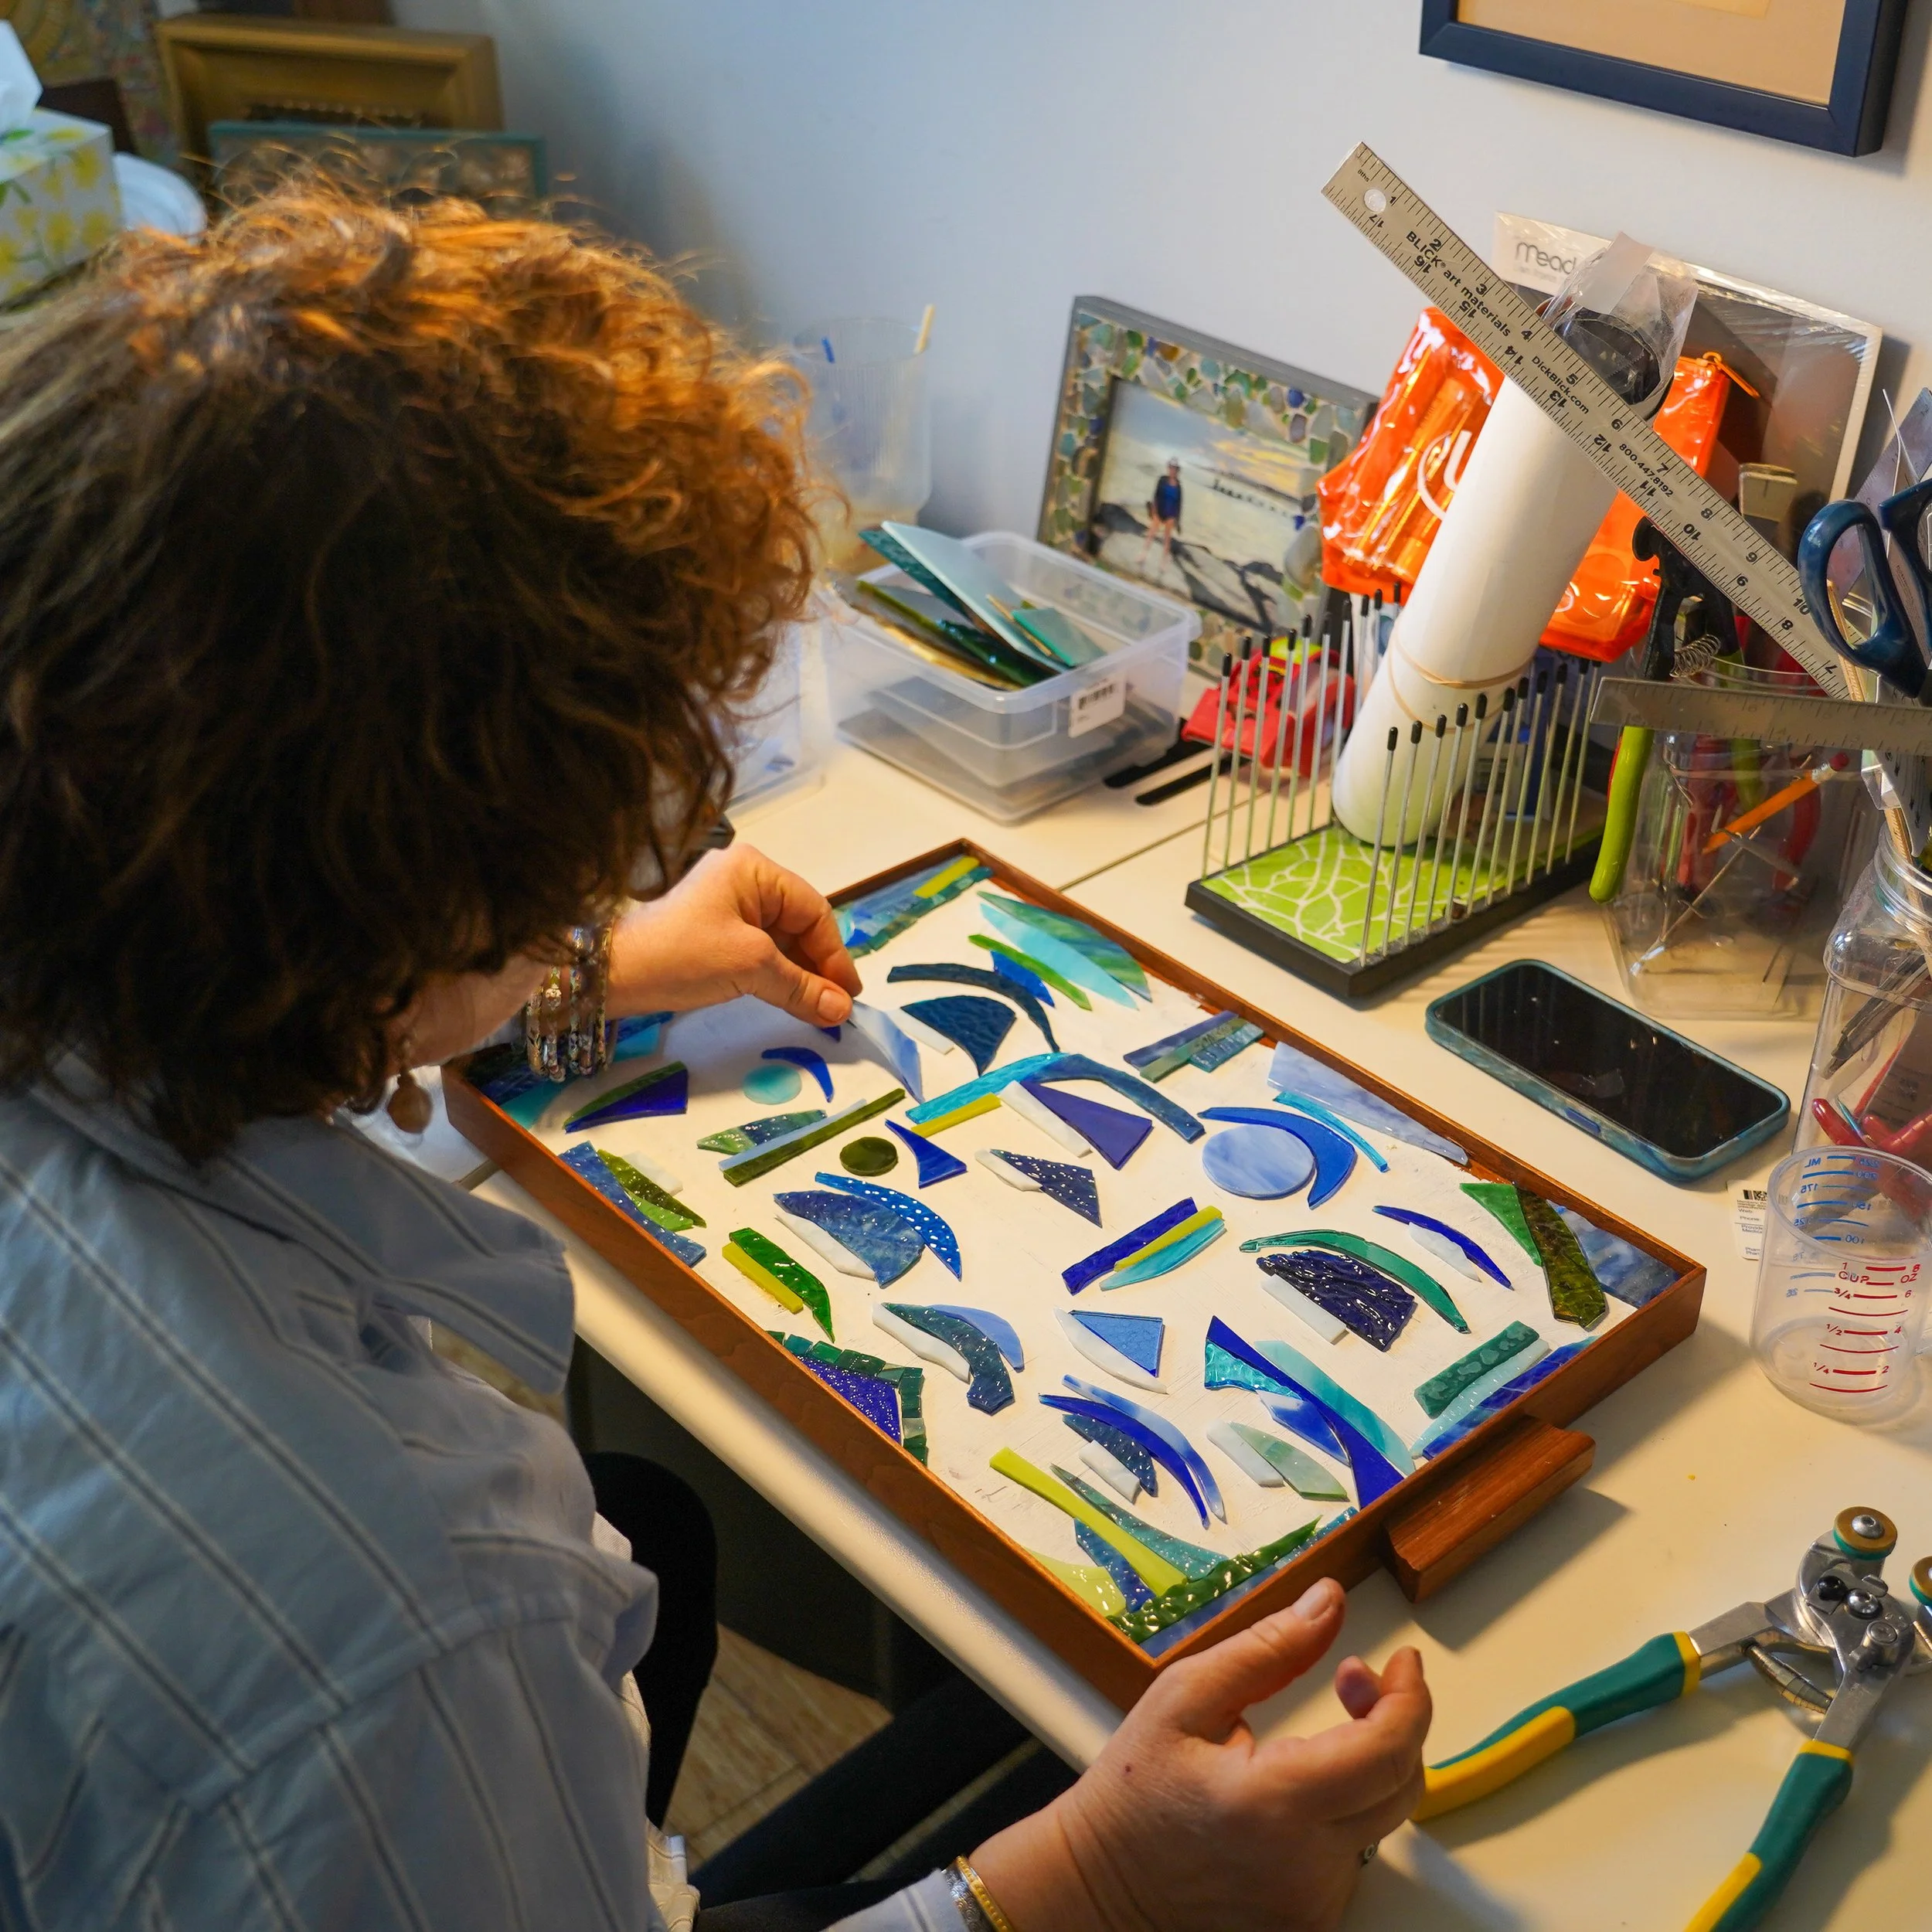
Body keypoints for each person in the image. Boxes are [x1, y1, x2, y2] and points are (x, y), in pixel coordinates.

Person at [0, 186, 1430, 1932]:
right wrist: (1095, 1874)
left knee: (655, 1530)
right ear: (404, 899)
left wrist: (584, 968)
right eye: (552, 881)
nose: (585, 900)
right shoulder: (416, 1621)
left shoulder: (77, 886)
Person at [1138, 457, 1184, 568]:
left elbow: (1179, 504)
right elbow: (1156, 495)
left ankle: (1163, 562)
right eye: (1171, 468)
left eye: (1175, 469)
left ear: (1178, 471)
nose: (1173, 470)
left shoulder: (1179, 486)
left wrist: (1178, 521)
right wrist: (1153, 510)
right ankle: (1143, 555)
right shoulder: (1162, 480)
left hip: (1171, 514)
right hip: (1160, 511)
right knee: (1151, 533)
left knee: (1167, 539)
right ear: (1168, 468)